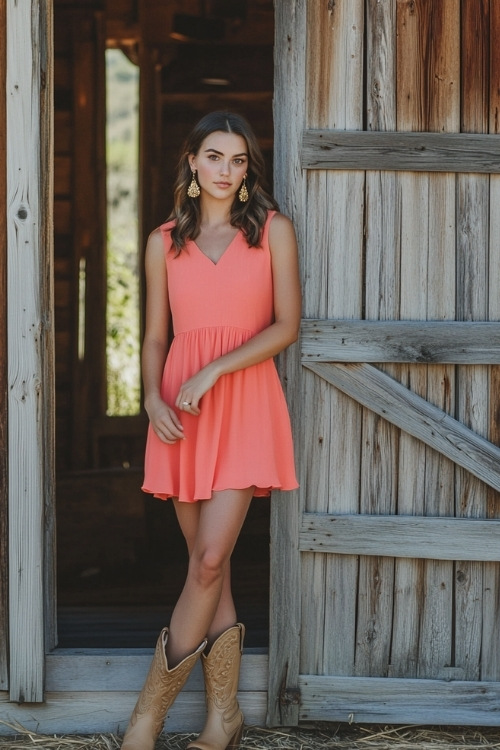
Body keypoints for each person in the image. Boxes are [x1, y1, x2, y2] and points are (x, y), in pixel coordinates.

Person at [121, 111, 301, 750]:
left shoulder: (273, 232)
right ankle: (223, 717)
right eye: (216, 157)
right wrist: (149, 398)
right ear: (192, 163)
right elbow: (154, 336)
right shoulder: (163, 241)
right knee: (207, 569)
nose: (228, 170)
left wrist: (218, 368)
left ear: (248, 170)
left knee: (210, 559)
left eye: (240, 160)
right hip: (181, 415)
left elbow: (286, 327)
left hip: (245, 403)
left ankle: (146, 719)